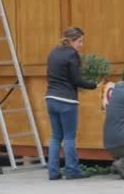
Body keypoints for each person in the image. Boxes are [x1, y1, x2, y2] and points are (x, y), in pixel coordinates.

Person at [45, 27, 98, 180]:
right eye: (79, 41)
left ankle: (53, 172)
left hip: (50, 98)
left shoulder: (53, 52)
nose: (81, 45)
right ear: (71, 40)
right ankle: (72, 170)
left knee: (55, 136)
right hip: (67, 100)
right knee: (69, 137)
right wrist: (93, 85)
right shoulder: (72, 54)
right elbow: (76, 80)